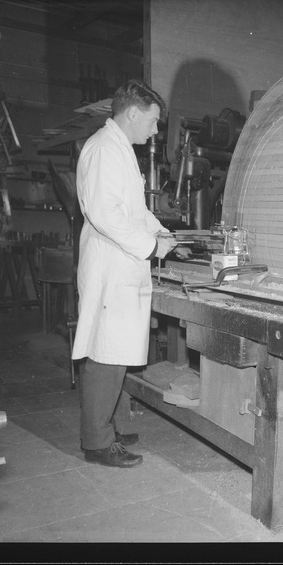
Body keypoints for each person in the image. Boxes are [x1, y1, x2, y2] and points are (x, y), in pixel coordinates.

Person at [72, 79, 180, 468]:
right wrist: (150, 246)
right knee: (106, 353)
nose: (155, 131)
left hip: (121, 264)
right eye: (152, 122)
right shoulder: (104, 150)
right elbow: (104, 214)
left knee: (115, 351)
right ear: (133, 113)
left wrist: (160, 231)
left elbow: (132, 211)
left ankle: (107, 428)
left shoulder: (120, 151)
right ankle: (97, 443)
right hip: (110, 267)